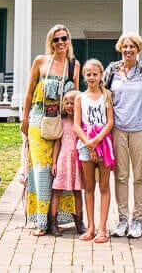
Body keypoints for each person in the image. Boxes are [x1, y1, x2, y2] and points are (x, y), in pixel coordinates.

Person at [21, 24, 80, 236]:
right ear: (51, 42)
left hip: (61, 123)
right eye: (56, 39)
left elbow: (75, 96)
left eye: (64, 38)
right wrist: (25, 118)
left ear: (69, 40)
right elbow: (29, 93)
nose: (60, 43)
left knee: (59, 170)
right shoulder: (41, 62)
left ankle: (59, 217)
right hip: (38, 120)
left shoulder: (73, 65)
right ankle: (40, 221)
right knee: (40, 171)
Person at [102, 32, 142, 239]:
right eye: (125, 46)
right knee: (121, 175)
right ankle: (123, 219)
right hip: (118, 129)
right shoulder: (112, 69)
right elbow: (102, 93)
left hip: (141, 127)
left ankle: (138, 220)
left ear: (138, 48)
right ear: (120, 48)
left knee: (139, 176)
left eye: (132, 46)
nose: (128, 50)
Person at [73, 59, 115, 243]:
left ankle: (103, 228)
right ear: (84, 76)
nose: (91, 77)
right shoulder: (80, 98)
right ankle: (90, 226)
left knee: (104, 186)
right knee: (89, 186)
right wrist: (88, 143)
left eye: (95, 74)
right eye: (88, 74)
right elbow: (76, 125)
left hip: (103, 143)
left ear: (101, 75)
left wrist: (97, 140)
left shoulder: (107, 95)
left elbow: (110, 122)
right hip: (85, 145)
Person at [50, 90, 87, 236]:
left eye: (72, 103)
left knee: (78, 191)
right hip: (63, 159)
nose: (69, 106)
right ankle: (53, 222)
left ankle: (79, 222)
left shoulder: (82, 121)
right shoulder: (62, 121)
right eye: (67, 102)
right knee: (57, 190)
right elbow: (57, 143)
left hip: (77, 160)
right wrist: (54, 163)